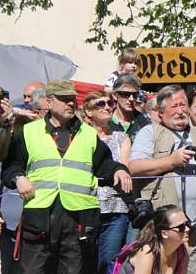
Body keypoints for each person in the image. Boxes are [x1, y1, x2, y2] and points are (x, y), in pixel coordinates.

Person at [1, 79, 132, 274]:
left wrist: (119, 169)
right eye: (64, 99)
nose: (70, 103)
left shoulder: (88, 134)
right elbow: (11, 166)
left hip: (77, 217)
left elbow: (104, 163)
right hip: (39, 216)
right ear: (48, 102)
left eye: (72, 99)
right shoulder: (29, 132)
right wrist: (19, 178)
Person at [130, 84, 196, 274]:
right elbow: (135, 168)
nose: (181, 111)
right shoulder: (150, 133)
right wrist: (171, 161)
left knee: (194, 269)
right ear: (160, 112)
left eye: (183, 105)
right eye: (174, 106)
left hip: (195, 221)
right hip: (162, 225)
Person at [83, 90, 133, 274]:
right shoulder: (80, 137)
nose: (106, 107)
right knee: (85, 259)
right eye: (100, 104)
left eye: (109, 104)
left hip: (115, 207)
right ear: (88, 111)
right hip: (86, 205)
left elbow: (124, 169)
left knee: (108, 261)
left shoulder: (121, 137)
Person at [114, 204, 189, 274]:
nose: (187, 229)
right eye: (181, 227)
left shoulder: (182, 249)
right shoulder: (147, 252)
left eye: (187, 223)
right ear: (164, 234)